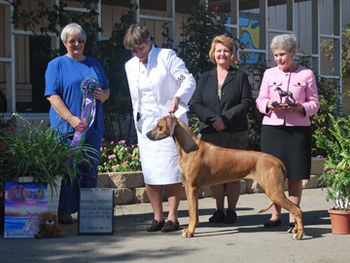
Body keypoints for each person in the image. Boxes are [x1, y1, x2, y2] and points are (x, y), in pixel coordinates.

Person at [123, 24, 196, 233]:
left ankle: (173, 217)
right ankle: (157, 217)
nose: (138, 53)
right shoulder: (129, 66)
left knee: (172, 172)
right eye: (133, 50)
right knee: (151, 173)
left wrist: (178, 97)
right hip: (146, 126)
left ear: (149, 41)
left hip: (169, 124)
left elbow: (187, 79)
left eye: (141, 47)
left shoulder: (167, 56)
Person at [45, 23, 110, 224]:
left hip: (92, 127)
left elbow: (107, 91)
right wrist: (71, 119)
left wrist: (103, 95)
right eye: (72, 40)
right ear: (65, 42)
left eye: (80, 40)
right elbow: (52, 96)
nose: (76, 44)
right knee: (67, 168)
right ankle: (65, 210)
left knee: (89, 169)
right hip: (67, 128)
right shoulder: (56, 65)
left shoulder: (94, 63)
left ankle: (88, 213)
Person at [256, 34, 319, 229]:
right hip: (272, 129)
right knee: (272, 175)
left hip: (297, 131)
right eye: (275, 55)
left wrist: (301, 108)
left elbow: (315, 103)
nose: (279, 59)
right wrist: (268, 104)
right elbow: (259, 100)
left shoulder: (306, 74)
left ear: (293, 53)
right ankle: (275, 215)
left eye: (282, 54)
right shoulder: (269, 73)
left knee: (295, 173)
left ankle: (294, 215)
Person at [190, 34, 251, 224]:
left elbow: (246, 102)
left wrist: (225, 119)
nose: (222, 54)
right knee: (214, 175)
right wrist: (211, 119)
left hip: (234, 132)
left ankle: (231, 211)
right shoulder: (204, 77)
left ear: (232, 54)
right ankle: (218, 211)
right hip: (211, 134)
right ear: (213, 53)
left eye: (226, 50)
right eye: (219, 50)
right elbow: (195, 103)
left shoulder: (240, 76)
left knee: (233, 175)